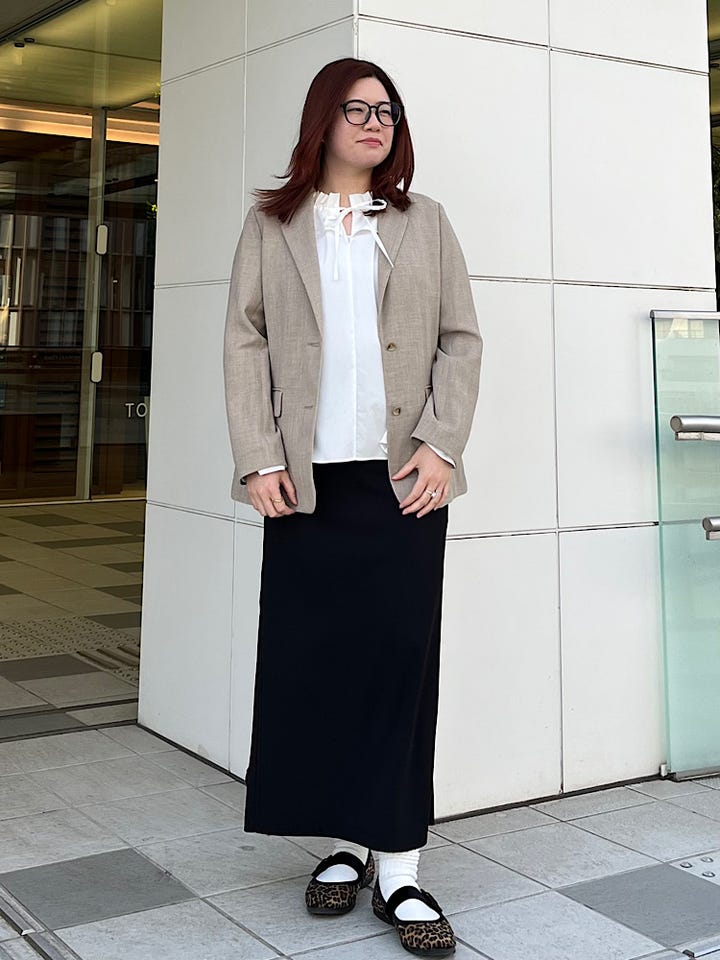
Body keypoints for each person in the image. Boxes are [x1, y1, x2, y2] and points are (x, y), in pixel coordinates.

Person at [223, 57, 482, 958]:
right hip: (306, 484)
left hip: (403, 481)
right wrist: (258, 457)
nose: (376, 123)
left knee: (399, 668)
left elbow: (460, 340)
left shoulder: (424, 221)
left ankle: (400, 868)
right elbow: (243, 342)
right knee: (319, 666)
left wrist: (441, 445)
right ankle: (345, 841)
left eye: (387, 111)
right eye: (357, 108)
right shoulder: (272, 224)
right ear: (321, 121)